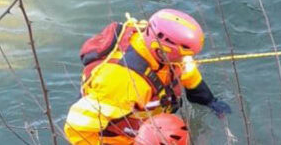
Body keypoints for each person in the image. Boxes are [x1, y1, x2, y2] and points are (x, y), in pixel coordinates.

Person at [64, 9, 231, 144]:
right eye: (183, 56)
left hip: (150, 120)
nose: (186, 60)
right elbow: (76, 128)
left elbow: (187, 71)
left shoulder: (159, 48)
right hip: (118, 138)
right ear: (164, 50)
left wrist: (209, 101)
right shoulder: (122, 82)